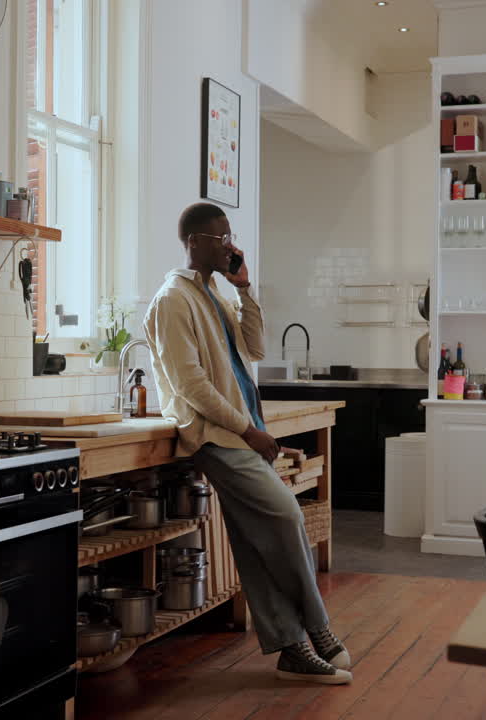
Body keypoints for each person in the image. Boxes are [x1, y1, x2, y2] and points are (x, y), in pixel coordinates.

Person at [142, 202, 351, 685]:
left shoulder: (212, 293)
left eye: (230, 235)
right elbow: (192, 385)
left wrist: (244, 288)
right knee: (286, 516)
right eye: (220, 238)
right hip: (219, 436)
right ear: (194, 242)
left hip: (239, 430)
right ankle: (316, 630)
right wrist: (248, 430)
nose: (230, 245)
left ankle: (292, 649)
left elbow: (254, 348)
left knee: (258, 540)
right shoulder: (174, 299)